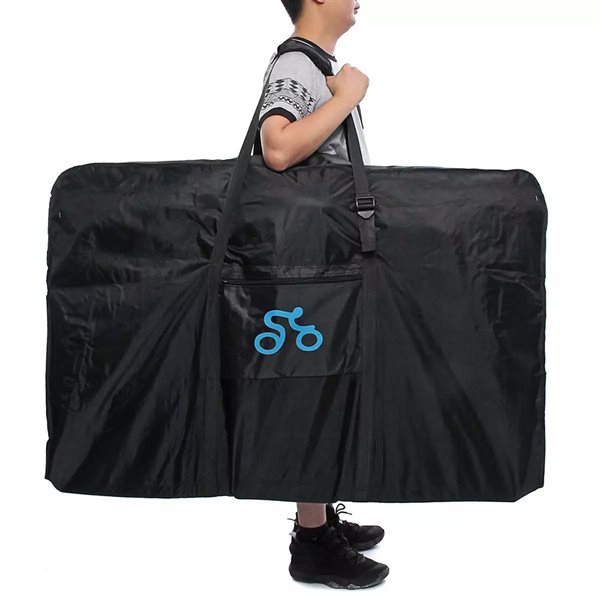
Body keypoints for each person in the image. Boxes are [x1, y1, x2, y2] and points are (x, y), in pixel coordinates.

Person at [257, 0, 389, 589]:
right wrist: (347, 97)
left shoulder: (316, 66)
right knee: (312, 390)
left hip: (320, 261)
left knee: (328, 384)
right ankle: (311, 541)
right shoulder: (297, 65)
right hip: (304, 264)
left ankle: (320, 515)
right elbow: (277, 147)